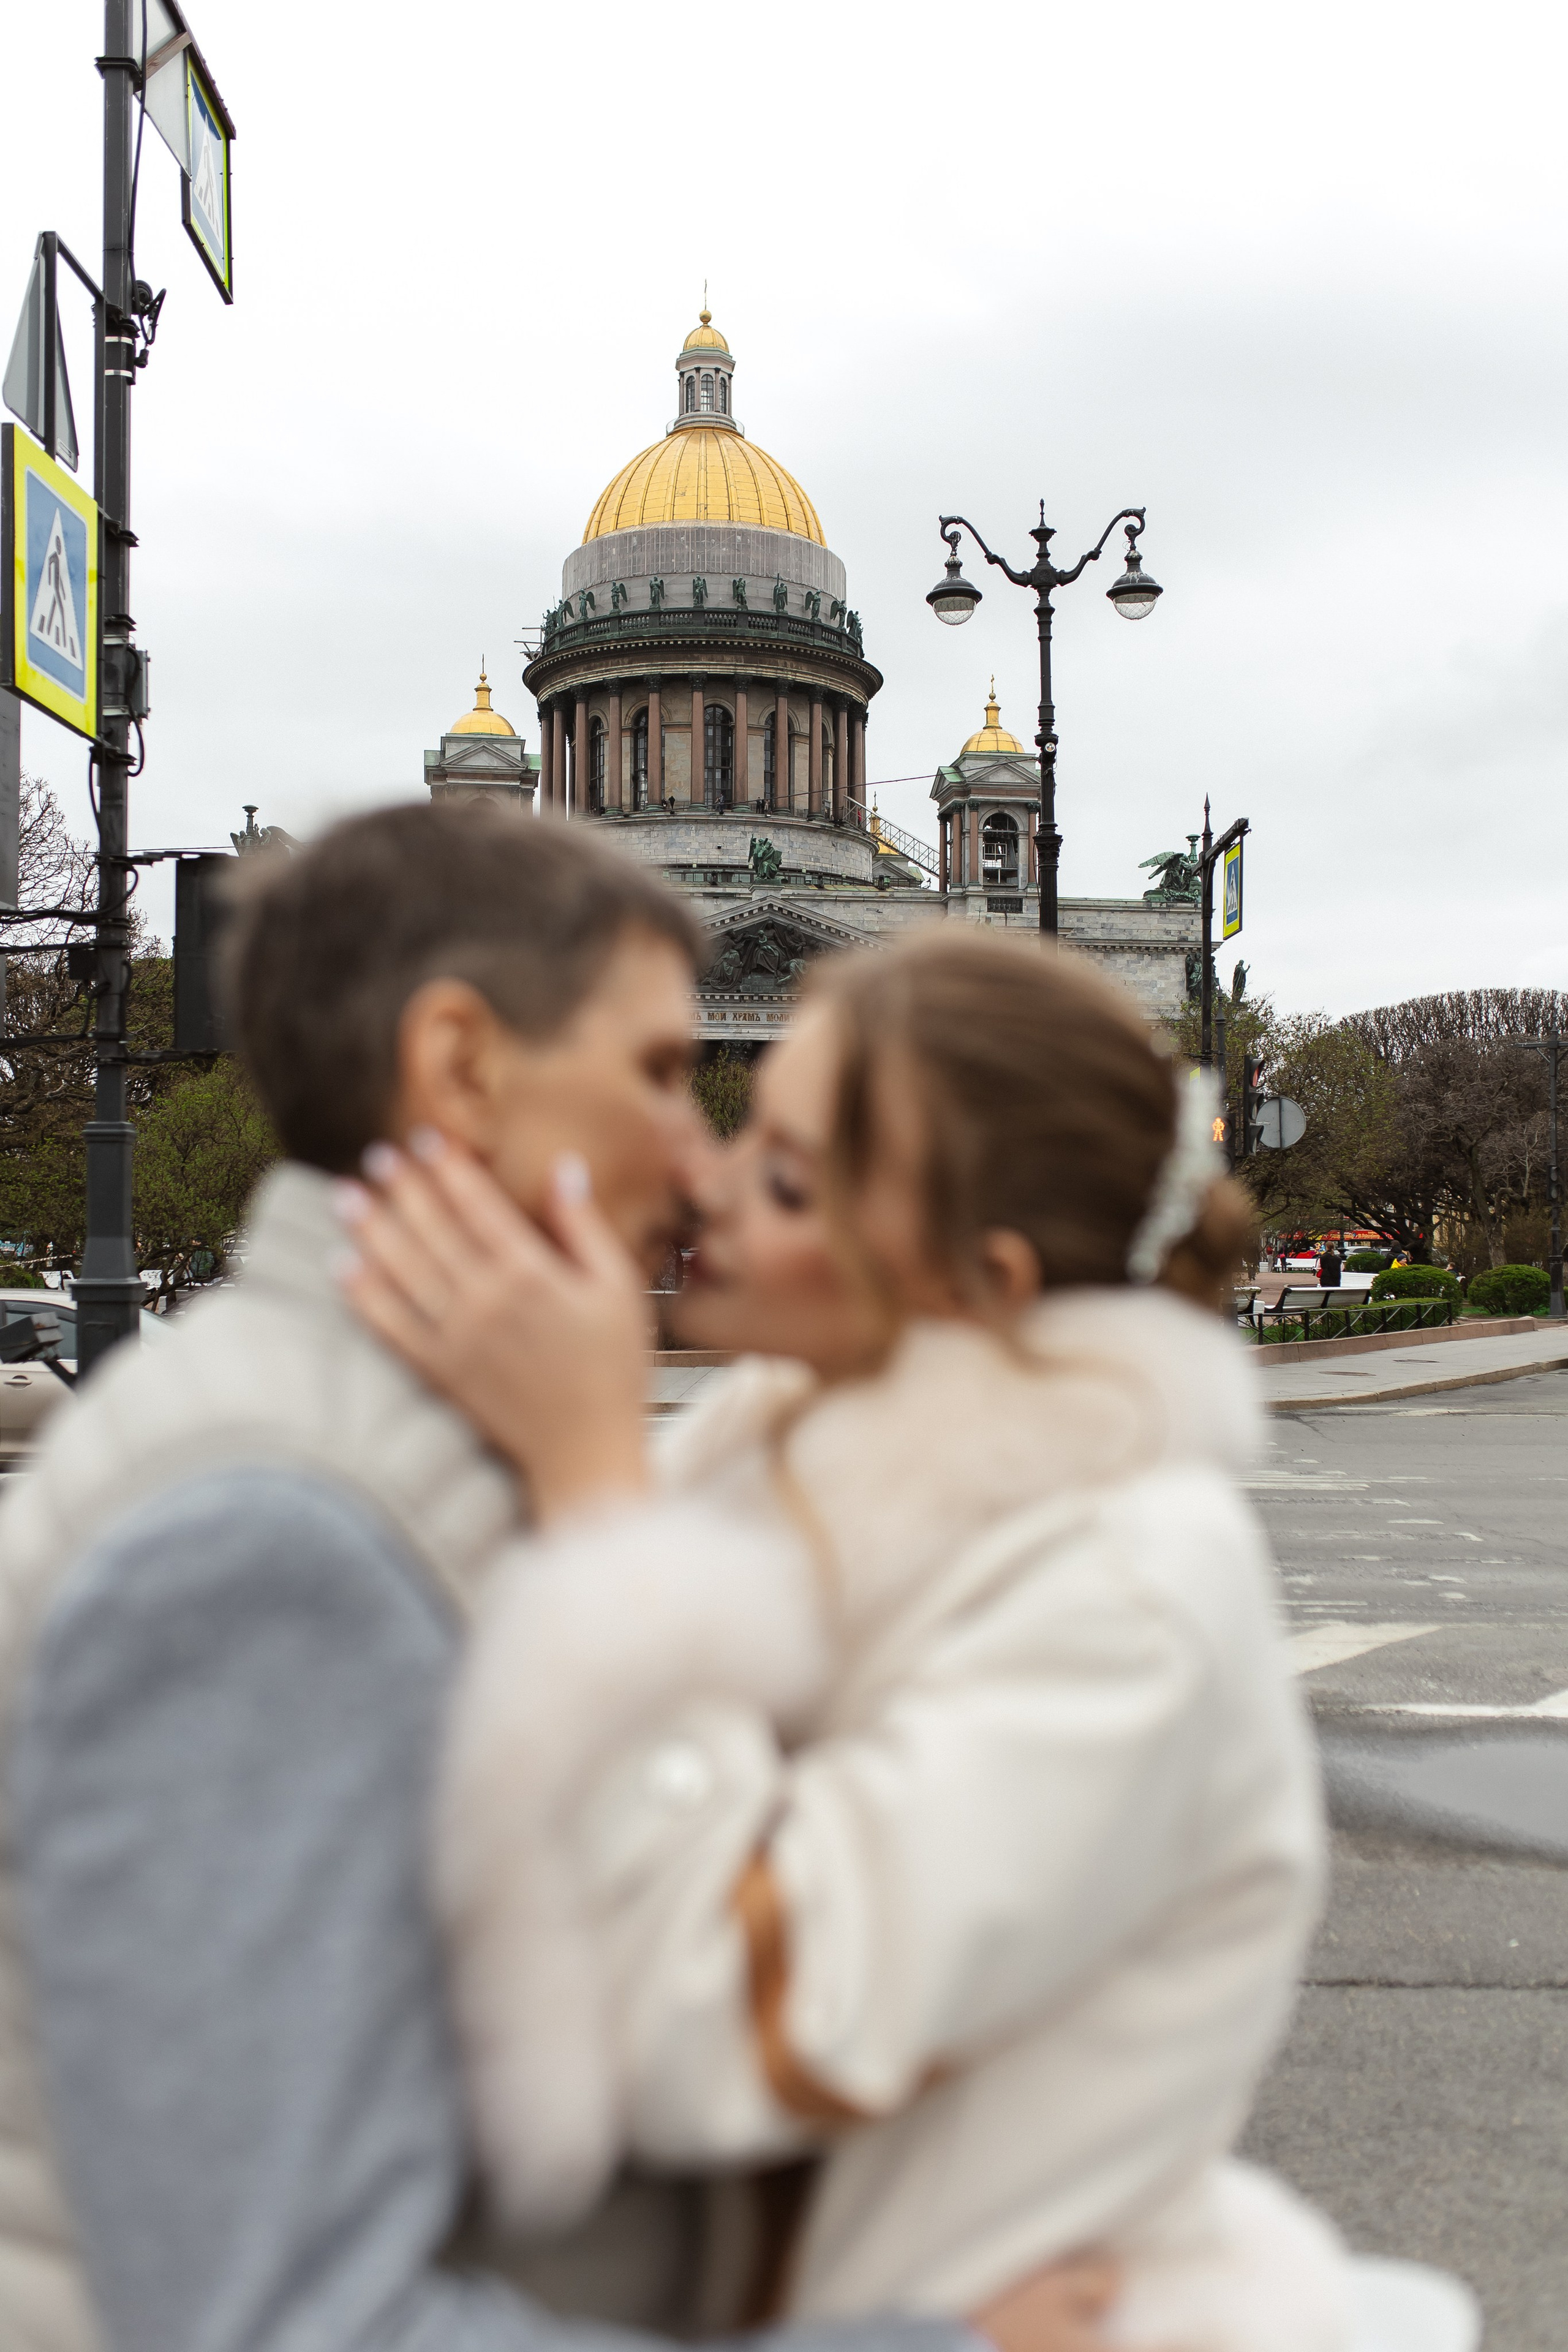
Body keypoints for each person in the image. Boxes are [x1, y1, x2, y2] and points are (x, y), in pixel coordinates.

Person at [0, 807, 1106, 2352]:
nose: (701, 1151)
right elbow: (284, 2320)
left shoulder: (403, 1428)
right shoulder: (265, 1539)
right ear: (461, 1069)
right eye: (657, 1073)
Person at [334, 932, 1352, 2352]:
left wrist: (590, 1493)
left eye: (791, 1177)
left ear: (972, 1281)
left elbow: (732, 2018)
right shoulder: (785, 1457)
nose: (709, 1176)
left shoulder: (1129, 1589)